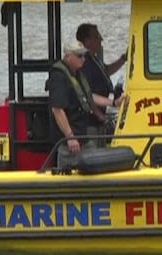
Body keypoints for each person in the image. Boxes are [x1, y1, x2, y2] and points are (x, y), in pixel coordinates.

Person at [47, 40, 114, 169]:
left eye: (84, 55)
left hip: (83, 137)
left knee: (97, 161)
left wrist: (113, 102)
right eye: (79, 56)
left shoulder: (77, 74)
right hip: (70, 144)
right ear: (68, 56)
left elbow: (89, 97)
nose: (83, 59)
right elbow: (57, 109)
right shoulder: (59, 77)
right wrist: (70, 137)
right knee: (70, 173)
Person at [76, 23, 127, 118]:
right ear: (87, 41)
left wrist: (123, 59)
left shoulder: (94, 59)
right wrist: (100, 114)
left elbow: (106, 71)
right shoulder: (84, 63)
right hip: (91, 118)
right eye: (97, 36)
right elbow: (87, 94)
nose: (101, 39)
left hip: (101, 111)